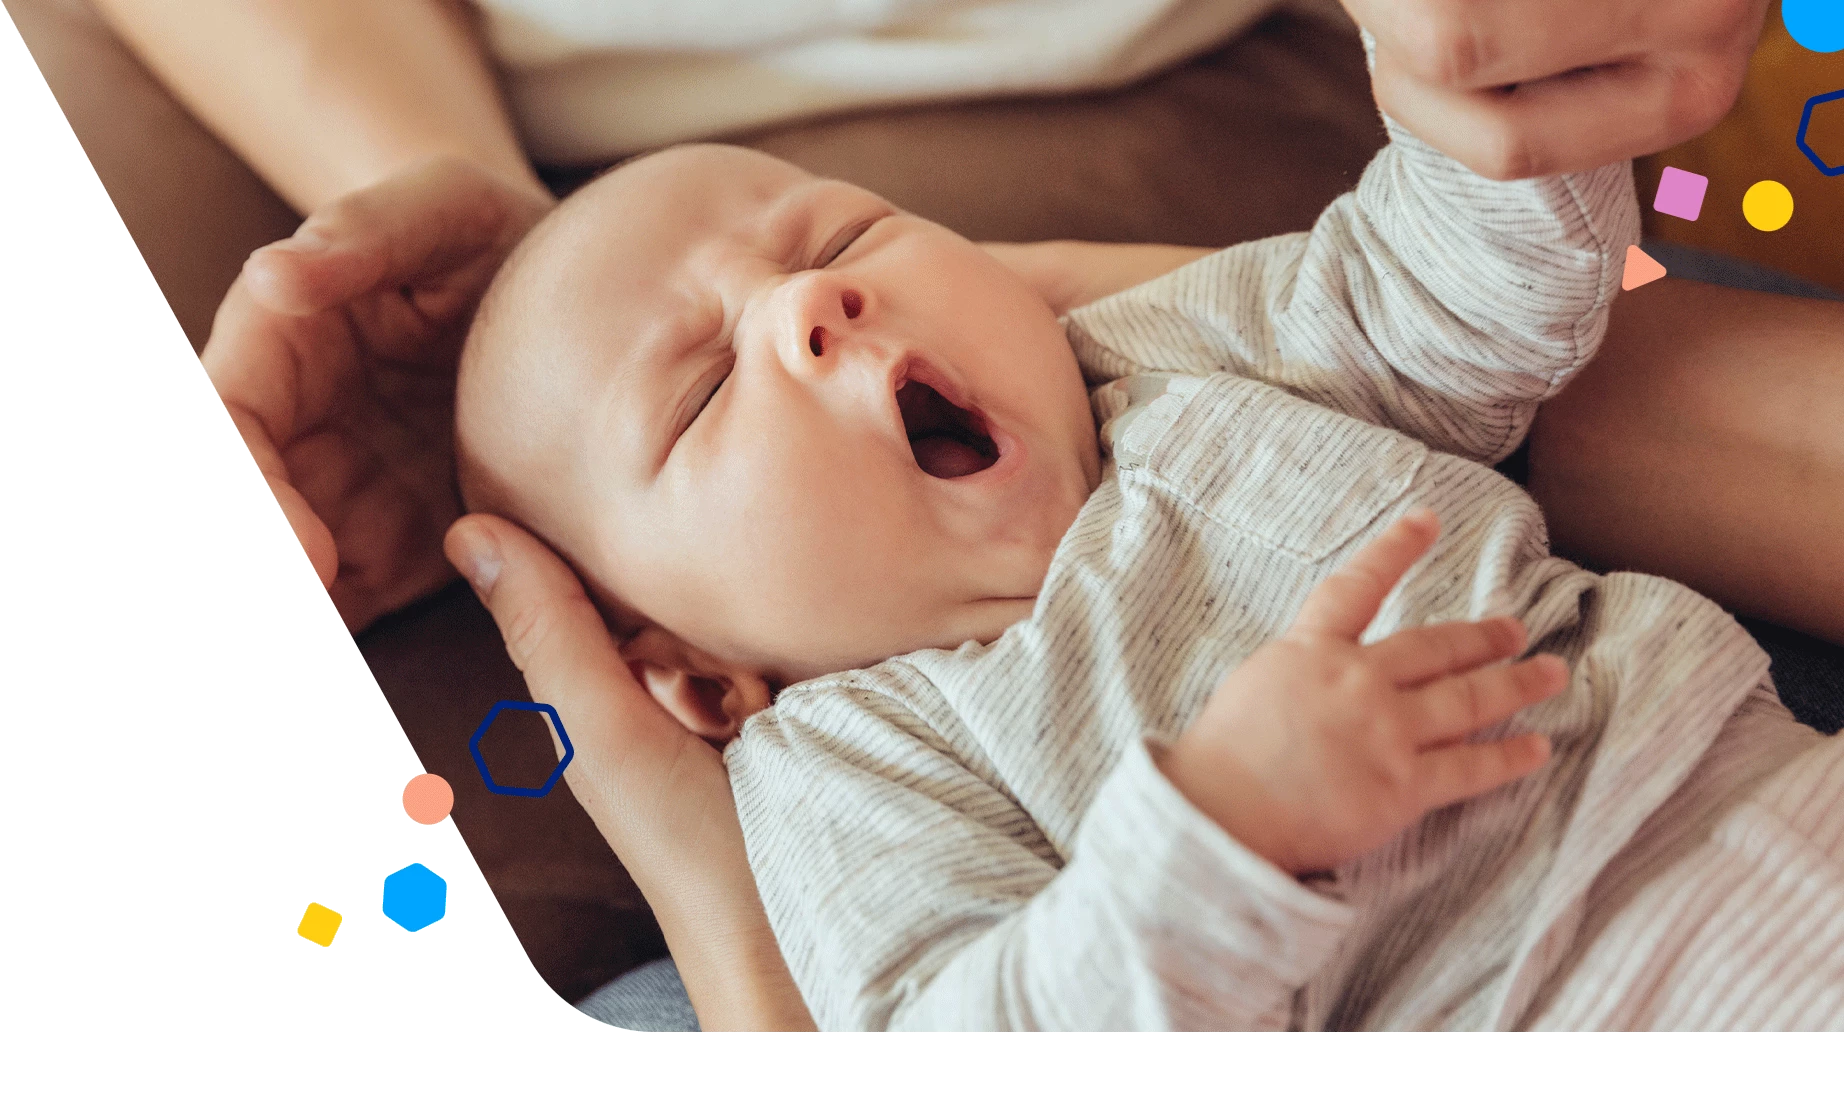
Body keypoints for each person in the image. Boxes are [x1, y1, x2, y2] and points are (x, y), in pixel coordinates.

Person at [87, 0, 1839, 1027]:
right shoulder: (848, 759)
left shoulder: (1139, 359)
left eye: (837, 239)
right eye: (703, 394)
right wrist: (1223, 835)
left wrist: (1497, 136)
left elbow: (1447, 312)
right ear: (696, 676)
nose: (809, 310)